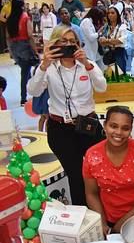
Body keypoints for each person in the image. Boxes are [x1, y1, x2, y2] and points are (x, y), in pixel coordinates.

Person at [27, 26, 106, 206]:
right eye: (63, 42)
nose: (68, 45)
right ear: (54, 45)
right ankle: (83, 213)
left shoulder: (86, 64)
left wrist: (87, 63)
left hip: (88, 124)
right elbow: (33, 90)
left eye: (72, 42)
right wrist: (44, 65)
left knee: (100, 168)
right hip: (60, 128)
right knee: (76, 174)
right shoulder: (49, 68)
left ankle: (105, 208)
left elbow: (102, 87)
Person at [83, 106, 134, 234]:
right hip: (109, 221)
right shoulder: (92, 155)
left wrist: (123, 223)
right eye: (113, 126)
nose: (119, 132)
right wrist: (102, 223)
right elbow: (91, 193)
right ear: (104, 125)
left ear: (131, 129)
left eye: (125, 128)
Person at [6, 0, 37, 105]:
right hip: (24, 46)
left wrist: (10, 51)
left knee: (25, 70)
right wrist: (35, 50)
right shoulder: (25, 17)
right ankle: (24, 98)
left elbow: (7, 36)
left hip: (14, 48)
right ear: (22, 6)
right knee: (26, 72)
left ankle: (31, 89)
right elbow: (30, 35)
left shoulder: (10, 18)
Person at [99, 6, 128, 72]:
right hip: (109, 52)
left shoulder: (122, 26)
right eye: (108, 13)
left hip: (119, 52)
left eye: (112, 13)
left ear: (117, 15)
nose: (110, 15)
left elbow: (121, 41)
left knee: (120, 74)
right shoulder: (106, 27)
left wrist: (107, 41)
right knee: (110, 74)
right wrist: (105, 41)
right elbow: (102, 42)